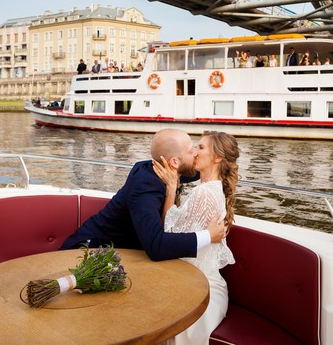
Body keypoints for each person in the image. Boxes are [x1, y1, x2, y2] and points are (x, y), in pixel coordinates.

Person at [60, 129, 226, 261]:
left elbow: (204, 168)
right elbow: (156, 246)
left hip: (123, 255)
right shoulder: (145, 185)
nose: (196, 153)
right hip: (86, 253)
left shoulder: (168, 169)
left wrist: (220, 156)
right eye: (192, 150)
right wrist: (208, 236)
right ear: (174, 162)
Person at [153, 131, 238, 345]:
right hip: (195, 280)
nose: (194, 152)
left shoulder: (204, 193)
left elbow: (170, 238)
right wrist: (172, 188)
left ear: (217, 157)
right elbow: (175, 233)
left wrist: (171, 189)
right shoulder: (205, 189)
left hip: (198, 288)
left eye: (200, 147)